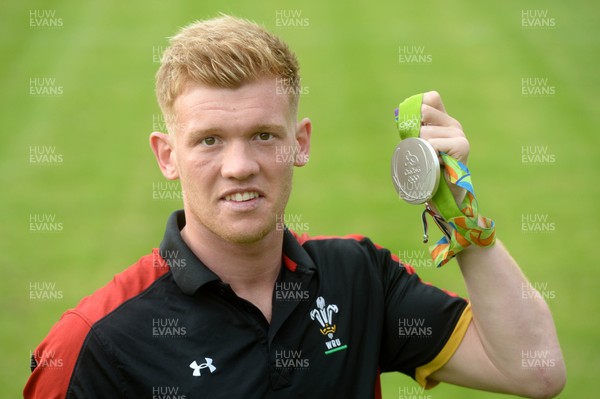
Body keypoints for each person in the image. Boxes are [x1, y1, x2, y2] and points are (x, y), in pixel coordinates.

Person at [24, 15, 566, 398]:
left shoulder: (358, 278)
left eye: (263, 135)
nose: (239, 166)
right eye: (209, 140)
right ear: (167, 156)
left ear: (300, 143)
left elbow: (534, 372)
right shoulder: (94, 340)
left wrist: (456, 205)